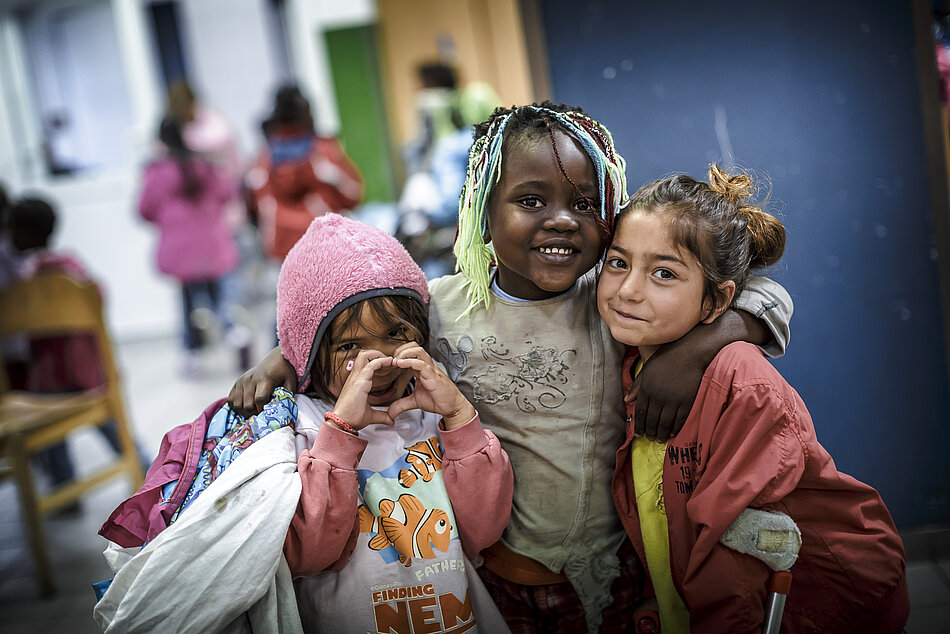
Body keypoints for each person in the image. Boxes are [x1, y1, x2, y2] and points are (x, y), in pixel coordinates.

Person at [229, 102, 793, 632]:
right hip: (499, 576)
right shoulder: (440, 307)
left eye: (583, 203)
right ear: (480, 208)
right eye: (530, 201)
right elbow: (358, 319)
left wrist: (702, 347)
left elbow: (768, 298)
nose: (562, 221)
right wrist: (286, 356)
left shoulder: (614, 297)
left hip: (620, 569)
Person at [97, 214, 513, 632]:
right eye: (350, 346)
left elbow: (483, 531)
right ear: (310, 354)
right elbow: (311, 552)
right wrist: (342, 436)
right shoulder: (303, 430)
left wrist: (460, 420)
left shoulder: (434, 414)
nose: (379, 362)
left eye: (395, 335)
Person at [602, 166, 908, 633]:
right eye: (618, 262)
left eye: (663, 273)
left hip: (821, 606)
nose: (628, 289)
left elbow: (737, 562)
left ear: (717, 302)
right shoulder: (628, 353)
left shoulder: (743, 382)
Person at [4, 197, 143, 497]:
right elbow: (98, 297)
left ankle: (64, 487)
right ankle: (145, 465)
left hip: (47, 375)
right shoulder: (70, 266)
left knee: (51, 440)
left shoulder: (24, 277)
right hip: (86, 371)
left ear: (25, 232)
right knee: (110, 425)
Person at [138, 116, 245, 374]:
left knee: (187, 300)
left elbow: (144, 210)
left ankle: (191, 353)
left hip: (180, 250)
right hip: (212, 246)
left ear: (160, 140)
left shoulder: (156, 173)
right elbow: (227, 194)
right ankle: (235, 334)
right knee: (220, 296)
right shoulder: (205, 166)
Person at [246, 84, 363, 261]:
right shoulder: (323, 150)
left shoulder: (264, 158)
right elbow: (353, 194)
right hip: (326, 243)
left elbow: (254, 204)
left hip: (282, 247)